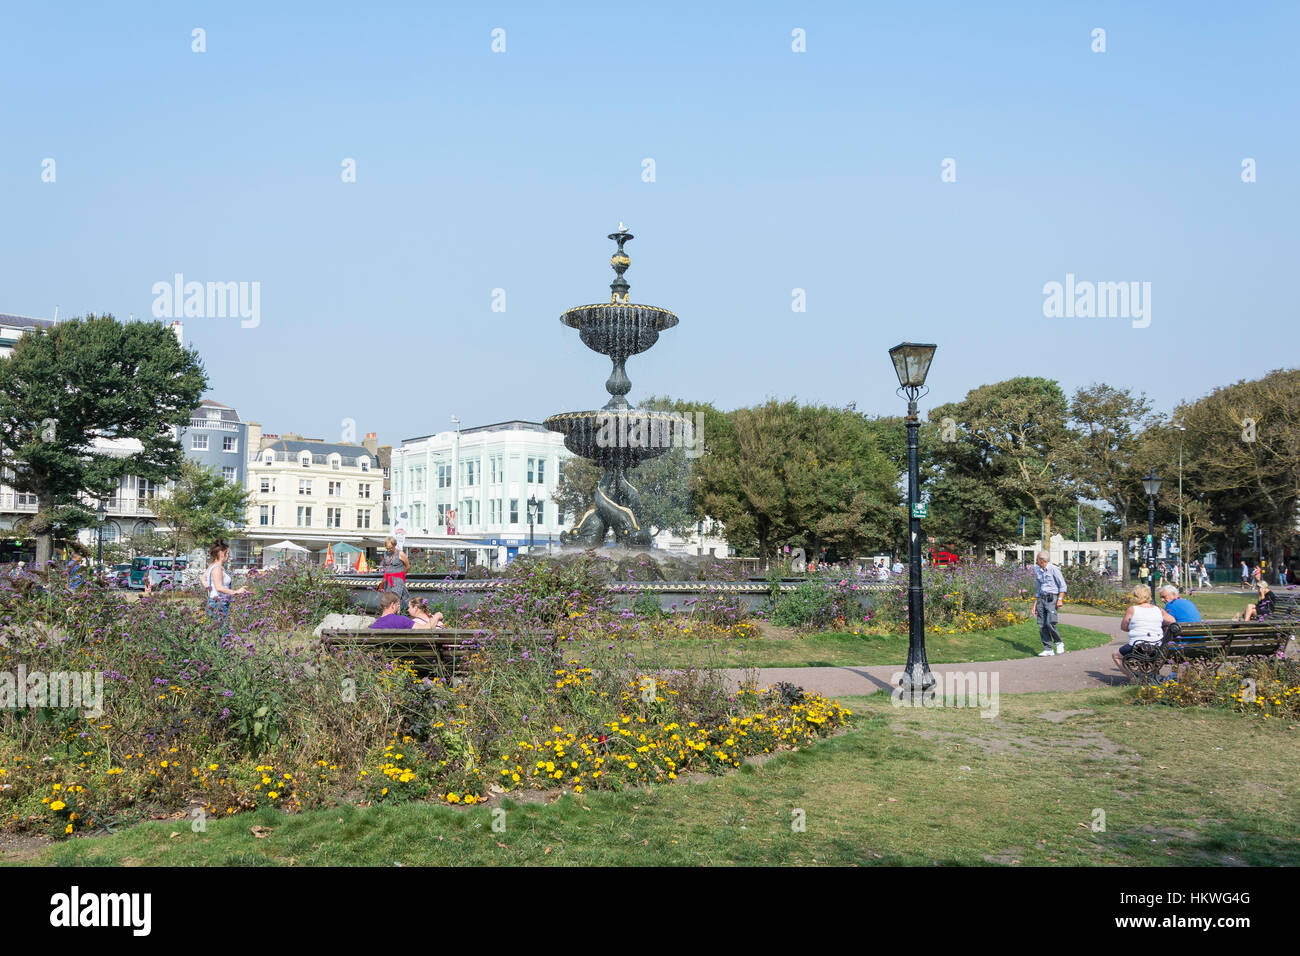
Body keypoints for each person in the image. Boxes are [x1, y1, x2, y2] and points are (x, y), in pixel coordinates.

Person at [1113, 584, 1175, 674]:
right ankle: (1150, 675)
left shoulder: (1132, 610)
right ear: (1149, 596)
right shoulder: (1158, 610)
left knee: (1116, 655)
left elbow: (1124, 627)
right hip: (1157, 645)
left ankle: (1132, 678)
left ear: (1136, 596)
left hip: (1138, 647)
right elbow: (1172, 621)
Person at [203, 539, 248, 631]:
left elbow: (202, 578)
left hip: (215, 603)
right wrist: (236, 592)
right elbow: (219, 587)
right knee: (222, 634)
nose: (228, 556)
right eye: (227, 553)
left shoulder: (212, 566)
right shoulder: (217, 569)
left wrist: (209, 589)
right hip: (218, 604)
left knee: (217, 635)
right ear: (221, 553)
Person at [1033, 549, 1068, 656]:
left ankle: (1059, 642)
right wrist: (1035, 605)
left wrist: (1060, 600)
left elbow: (1063, 586)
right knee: (1041, 624)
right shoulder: (1038, 570)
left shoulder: (1054, 569)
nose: (1036, 560)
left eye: (1037, 558)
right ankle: (1048, 648)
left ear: (1041, 560)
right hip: (1041, 599)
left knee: (1050, 622)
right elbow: (1038, 589)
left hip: (1052, 598)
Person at [380, 538, 410, 610]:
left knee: (395, 597)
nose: (389, 550)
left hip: (397, 579)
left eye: (391, 548)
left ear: (394, 545)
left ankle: (396, 614)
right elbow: (387, 566)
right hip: (388, 579)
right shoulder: (386, 554)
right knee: (388, 598)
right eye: (387, 548)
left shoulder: (400, 554)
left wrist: (402, 575)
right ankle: (389, 613)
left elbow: (407, 566)